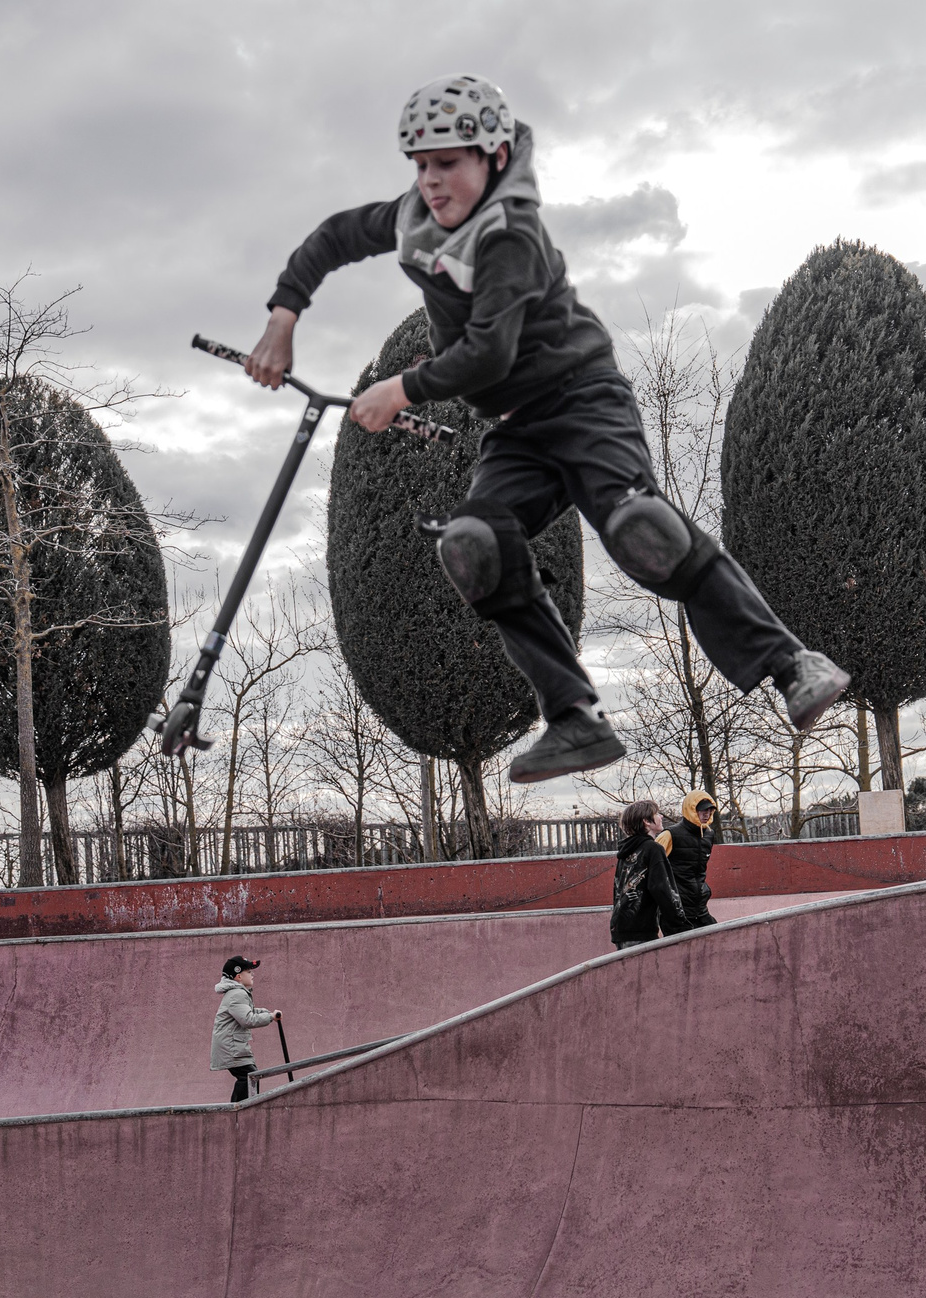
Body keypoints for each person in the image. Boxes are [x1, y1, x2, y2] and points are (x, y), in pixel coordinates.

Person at [244, 74, 851, 785]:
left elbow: (488, 353)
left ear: (494, 157)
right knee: (474, 545)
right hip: (519, 428)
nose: (432, 183)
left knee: (641, 533)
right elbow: (333, 239)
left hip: (584, 400)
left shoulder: (512, 235)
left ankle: (791, 663)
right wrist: (283, 317)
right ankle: (574, 718)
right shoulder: (414, 217)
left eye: (450, 164)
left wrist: (402, 388)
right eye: (420, 165)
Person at [610, 800, 686, 947]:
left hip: (620, 926)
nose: (661, 817)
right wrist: (680, 925)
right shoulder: (653, 849)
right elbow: (663, 889)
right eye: (656, 814)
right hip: (642, 929)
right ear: (646, 821)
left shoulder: (626, 850)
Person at [212, 955, 280, 1104]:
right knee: (249, 1076)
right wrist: (270, 1017)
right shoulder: (237, 994)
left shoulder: (237, 992)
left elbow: (248, 1012)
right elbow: (248, 1020)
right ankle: (238, 1109)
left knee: (250, 1075)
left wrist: (266, 1013)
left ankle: (240, 1107)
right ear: (238, 977)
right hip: (231, 1047)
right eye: (249, 972)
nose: (252, 975)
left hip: (233, 1045)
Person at [661, 789, 719, 933]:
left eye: (710, 810)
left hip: (699, 907)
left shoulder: (709, 834)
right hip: (677, 909)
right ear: (691, 809)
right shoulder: (670, 835)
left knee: (717, 936)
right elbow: (650, 866)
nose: (707, 814)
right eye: (702, 810)